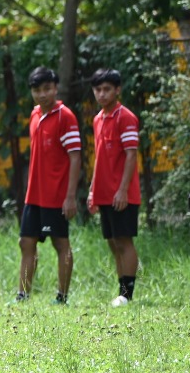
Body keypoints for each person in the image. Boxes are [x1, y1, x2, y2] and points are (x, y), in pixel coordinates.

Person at [16, 66, 82, 304]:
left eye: (47, 89)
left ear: (55, 88)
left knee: (60, 243)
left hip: (56, 196)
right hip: (34, 195)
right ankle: (23, 295)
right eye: (37, 90)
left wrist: (70, 196)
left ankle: (62, 297)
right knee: (26, 242)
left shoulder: (65, 116)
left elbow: (75, 157)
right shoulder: (35, 114)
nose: (42, 94)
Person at [88, 69, 141, 307]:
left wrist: (122, 190)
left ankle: (127, 294)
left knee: (123, 241)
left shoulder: (126, 117)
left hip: (122, 193)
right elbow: (99, 158)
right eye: (98, 89)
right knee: (112, 242)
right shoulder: (98, 119)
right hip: (104, 192)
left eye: (107, 89)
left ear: (117, 90)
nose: (102, 94)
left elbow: (131, 155)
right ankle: (121, 290)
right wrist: (93, 190)